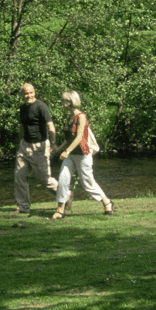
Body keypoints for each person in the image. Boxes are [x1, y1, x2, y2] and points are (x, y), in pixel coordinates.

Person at [50, 90, 113, 219]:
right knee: (63, 179)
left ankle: (106, 201)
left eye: (64, 101)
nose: (62, 103)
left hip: (83, 155)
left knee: (87, 183)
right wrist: (57, 149)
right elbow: (69, 139)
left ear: (71, 101)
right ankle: (60, 210)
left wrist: (66, 151)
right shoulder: (70, 117)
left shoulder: (81, 117)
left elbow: (79, 137)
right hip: (71, 155)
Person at [12, 82, 55, 215]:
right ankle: (23, 207)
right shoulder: (22, 108)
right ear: (21, 95)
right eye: (25, 93)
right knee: (19, 176)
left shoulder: (41, 107)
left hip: (39, 146)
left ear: (34, 92)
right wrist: (20, 142)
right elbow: (22, 127)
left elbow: (51, 127)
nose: (28, 95)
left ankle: (66, 195)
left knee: (45, 179)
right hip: (25, 145)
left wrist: (53, 144)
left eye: (30, 92)